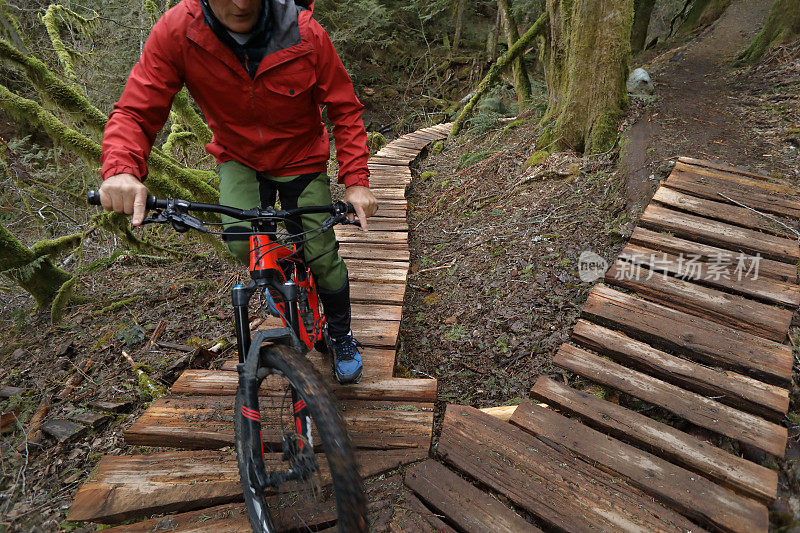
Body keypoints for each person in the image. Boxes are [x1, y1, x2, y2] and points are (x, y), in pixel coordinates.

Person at [97, 0, 377, 384]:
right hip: (238, 157)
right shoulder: (180, 31)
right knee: (243, 243)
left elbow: (344, 108)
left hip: (301, 156)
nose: (241, 3)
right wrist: (122, 170)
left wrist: (357, 182)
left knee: (322, 254)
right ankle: (280, 275)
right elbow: (136, 110)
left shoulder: (304, 31)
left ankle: (341, 336)